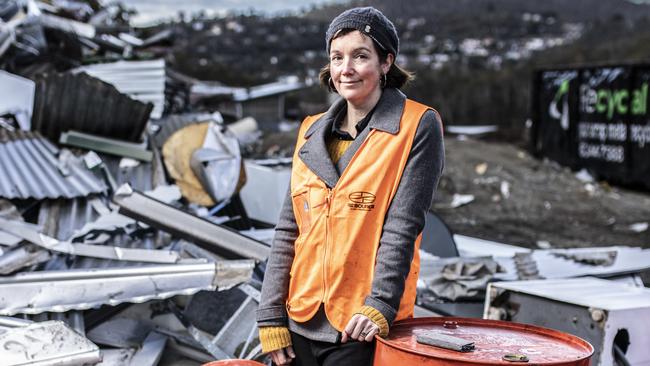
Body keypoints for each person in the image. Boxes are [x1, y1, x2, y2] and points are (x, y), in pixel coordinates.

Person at [256, 6, 444, 366]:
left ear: (386, 62)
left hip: (359, 326)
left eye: (361, 56)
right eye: (337, 57)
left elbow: (402, 227)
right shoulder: (310, 132)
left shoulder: (417, 125)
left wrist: (380, 305)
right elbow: (288, 230)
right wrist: (270, 315)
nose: (346, 69)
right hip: (300, 319)